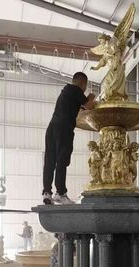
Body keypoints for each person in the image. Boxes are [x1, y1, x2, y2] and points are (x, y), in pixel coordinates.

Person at [42, 72, 95, 205]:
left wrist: (86, 99)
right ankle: (60, 193)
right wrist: (92, 98)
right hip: (64, 128)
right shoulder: (76, 90)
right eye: (85, 86)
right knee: (61, 161)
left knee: (50, 160)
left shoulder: (67, 91)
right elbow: (88, 106)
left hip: (52, 127)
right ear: (82, 83)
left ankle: (46, 193)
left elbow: (80, 107)